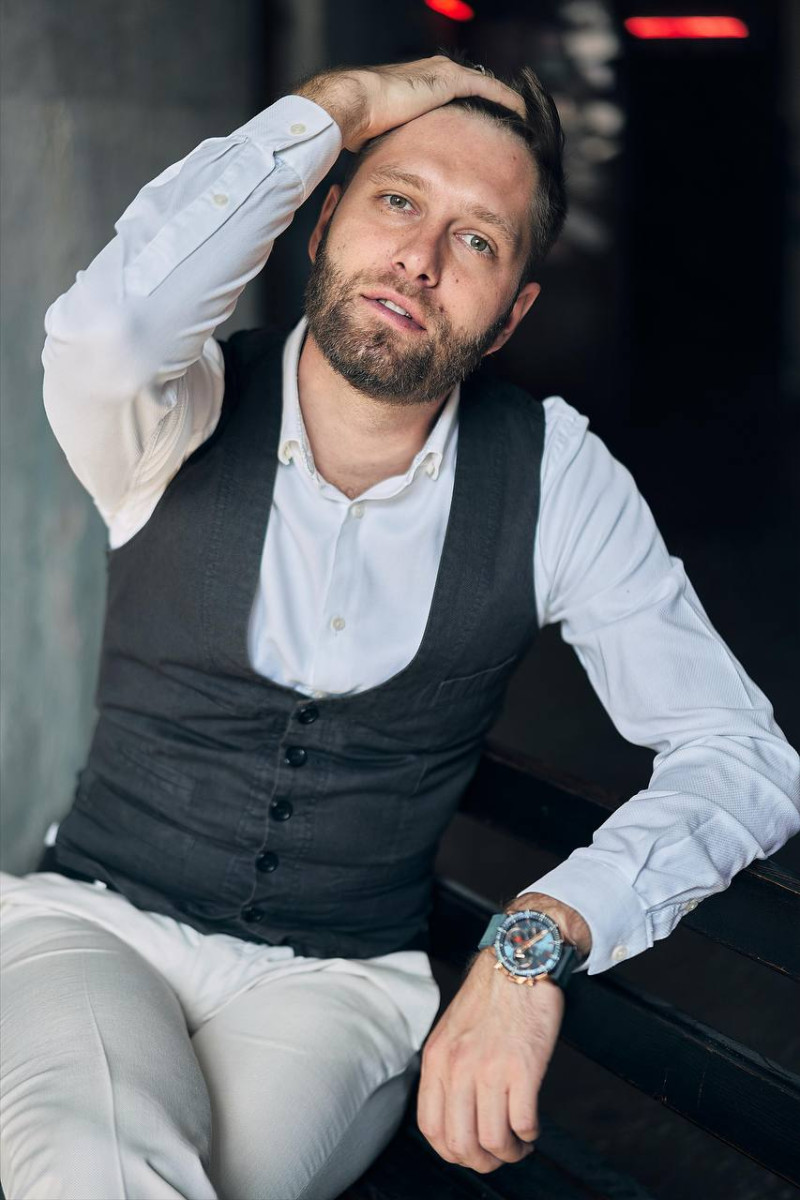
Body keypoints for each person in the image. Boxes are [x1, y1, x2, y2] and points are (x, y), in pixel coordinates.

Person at [1, 51, 798, 1200]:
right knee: (95, 1163)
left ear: (512, 312)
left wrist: (536, 937)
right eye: (395, 200)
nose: (419, 259)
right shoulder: (174, 407)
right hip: (96, 930)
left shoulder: (553, 478)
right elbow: (106, 332)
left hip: (335, 993)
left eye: (475, 239)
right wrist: (338, 108)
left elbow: (738, 754)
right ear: (321, 218)